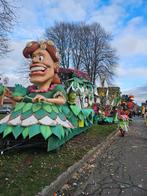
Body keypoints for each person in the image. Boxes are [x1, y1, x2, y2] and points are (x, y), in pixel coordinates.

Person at [0, 40, 93, 151]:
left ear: (55, 66)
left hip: (52, 113)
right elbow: (20, 99)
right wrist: (10, 96)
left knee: (50, 122)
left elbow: (62, 100)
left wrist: (47, 99)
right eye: (33, 58)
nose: (34, 61)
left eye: (40, 58)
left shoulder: (57, 88)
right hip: (27, 115)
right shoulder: (30, 90)